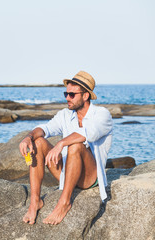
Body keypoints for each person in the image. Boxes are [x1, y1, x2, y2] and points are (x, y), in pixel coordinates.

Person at [19, 71, 113, 225]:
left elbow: (88, 134)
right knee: (38, 142)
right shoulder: (65, 115)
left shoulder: (102, 115)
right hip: (67, 173)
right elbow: (45, 128)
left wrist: (61, 143)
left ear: (85, 96)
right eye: (66, 93)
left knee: (76, 145)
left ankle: (64, 202)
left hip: (90, 177)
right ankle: (35, 201)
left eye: (72, 95)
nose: (67, 98)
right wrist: (28, 137)